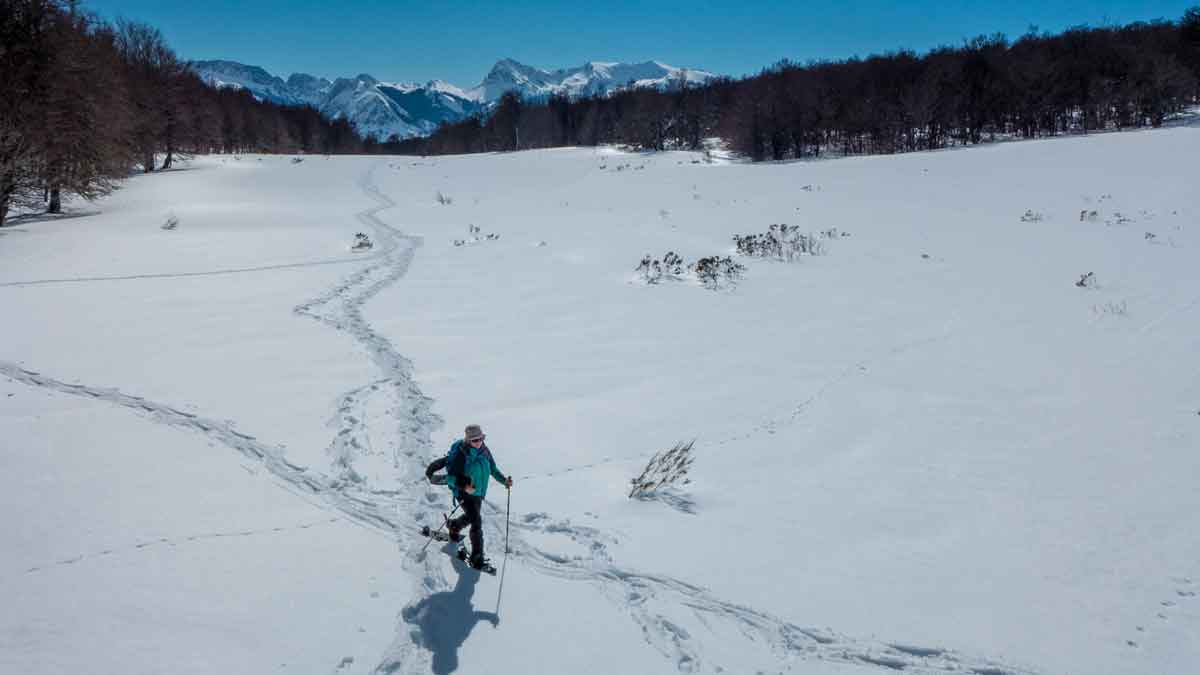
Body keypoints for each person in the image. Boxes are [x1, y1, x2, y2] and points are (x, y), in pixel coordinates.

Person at [445, 424, 512, 569]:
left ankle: (454, 526)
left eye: (480, 439)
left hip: (479, 493)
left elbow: (492, 469)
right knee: (476, 520)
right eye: (474, 440)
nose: (478, 442)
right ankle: (477, 555)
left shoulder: (485, 451)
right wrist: (465, 487)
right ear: (468, 440)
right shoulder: (461, 454)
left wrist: (504, 481)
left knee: (471, 517)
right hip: (464, 493)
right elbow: (450, 478)